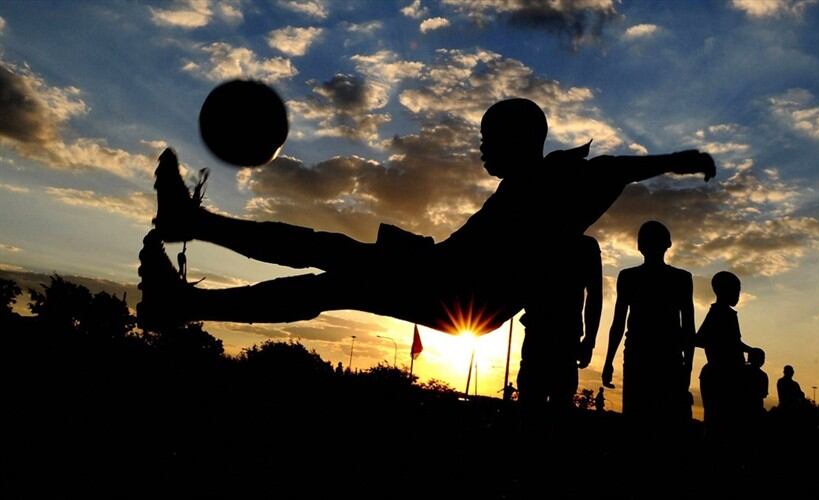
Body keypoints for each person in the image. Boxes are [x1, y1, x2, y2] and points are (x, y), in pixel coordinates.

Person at [138, 98, 716, 336]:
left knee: (333, 273)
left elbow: (619, 168)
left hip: (464, 294)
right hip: (446, 274)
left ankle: (186, 293)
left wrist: (684, 161)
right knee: (330, 254)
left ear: (520, 140)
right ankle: (193, 238)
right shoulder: (530, 183)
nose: (482, 150)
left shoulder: (559, 181)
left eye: (490, 139)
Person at [601, 221, 695, 422]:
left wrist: (609, 361)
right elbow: (688, 328)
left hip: (646, 355)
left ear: (639, 246)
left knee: (639, 419)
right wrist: (688, 366)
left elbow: (618, 323)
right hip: (660, 356)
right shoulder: (681, 278)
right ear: (668, 244)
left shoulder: (629, 277)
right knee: (662, 421)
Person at [517, 234, 601, 413]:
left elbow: (595, 296)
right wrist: (589, 340)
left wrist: (590, 340)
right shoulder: (585, 245)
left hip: (546, 334)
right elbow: (595, 296)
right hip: (556, 335)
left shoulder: (538, 239)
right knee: (554, 403)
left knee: (537, 403)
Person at [696, 271, 756, 425]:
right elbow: (700, 339)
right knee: (722, 421)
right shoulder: (719, 313)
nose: (738, 295)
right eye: (736, 290)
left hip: (726, 373)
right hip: (723, 375)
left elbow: (733, 342)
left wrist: (748, 350)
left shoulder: (725, 313)